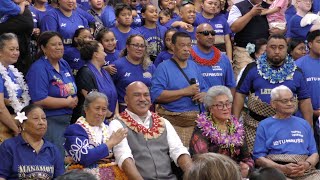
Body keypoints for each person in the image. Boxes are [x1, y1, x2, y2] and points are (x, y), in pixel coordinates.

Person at [232, 34, 313, 152]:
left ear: (287, 49)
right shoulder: (252, 68)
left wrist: (308, 128)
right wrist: (235, 123)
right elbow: (240, 94)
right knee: (256, 163)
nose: (276, 51)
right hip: (255, 126)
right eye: (272, 47)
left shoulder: (296, 72)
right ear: (266, 49)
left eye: (281, 47)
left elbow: (305, 100)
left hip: (288, 127)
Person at [109, 81, 192, 180]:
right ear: (126, 99)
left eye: (146, 95)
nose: (142, 99)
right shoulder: (117, 124)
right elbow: (124, 157)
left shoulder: (163, 122)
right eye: (137, 95)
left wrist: (194, 175)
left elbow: (178, 151)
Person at [151, 32, 208, 147]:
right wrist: (185, 92)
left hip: (196, 122)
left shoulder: (193, 65)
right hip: (174, 124)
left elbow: (204, 88)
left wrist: (204, 95)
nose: (186, 49)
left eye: (189, 45)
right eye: (182, 45)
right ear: (172, 46)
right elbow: (156, 95)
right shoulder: (163, 67)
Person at [26, 31, 78, 156]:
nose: (59, 47)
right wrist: (67, 102)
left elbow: (72, 88)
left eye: (60, 44)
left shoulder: (64, 64)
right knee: (56, 158)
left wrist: (74, 99)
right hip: (50, 121)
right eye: (54, 45)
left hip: (68, 119)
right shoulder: (39, 68)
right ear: (43, 48)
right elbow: (39, 100)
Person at [253, 85, 320, 179]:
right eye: (285, 101)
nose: (290, 103)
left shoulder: (303, 123)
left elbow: (314, 154)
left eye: (292, 100)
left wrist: (307, 164)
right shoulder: (264, 125)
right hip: (277, 171)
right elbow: (258, 158)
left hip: (305, 171)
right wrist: (281, 168)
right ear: (273, 104)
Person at [189, 86, 253, 178]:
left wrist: (246, 167)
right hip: (213, 175)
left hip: (236, 174)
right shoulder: (202, 130)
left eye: (228, 103)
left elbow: (247, 158)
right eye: (220, 105)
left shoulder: (236, 127)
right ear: (210, 108)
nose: (225, 108)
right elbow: (202, 162)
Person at [64, 92, 127, 179]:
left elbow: (121, 155)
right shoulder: (75, 130)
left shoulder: (109, 128)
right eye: (97, 108)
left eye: (104, 109)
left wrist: (96, 153)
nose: (100, 113)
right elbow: (85, 158)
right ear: (86, 109)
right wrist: (110, 143)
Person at [0, 104, 64, 179]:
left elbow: (60, 177)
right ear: (23, 124)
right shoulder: (9, 146)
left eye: (44, 118)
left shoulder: (52, 150)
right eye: (36, 118)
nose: (41, 122)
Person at [72, 40, 118, 123]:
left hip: (109, 119)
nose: (105, 54)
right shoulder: (85, 73)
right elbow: (92, 100)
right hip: (91, 121)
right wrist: (109, 115)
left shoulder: (104, 72)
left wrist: (116, 115)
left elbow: (114, 94)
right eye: (103, 51)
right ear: (96, 54)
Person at [112, 34, 155, 113]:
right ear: (128, 47)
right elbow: (111, 92)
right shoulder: (117, 66)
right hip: (125, 110)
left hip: (147, 109)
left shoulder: (150, 66)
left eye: (142, 46)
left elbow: (154, 89)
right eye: (136, 45)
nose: (139, 48)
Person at [227, 0, 270, 78]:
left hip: (266, 52)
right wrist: (251, 14)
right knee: (243, 79)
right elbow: (234, 28)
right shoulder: (238, 7)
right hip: (243, 51)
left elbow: (280, 24)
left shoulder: (270, 6)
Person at [0, 33, 30, 143]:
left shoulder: (13, 71)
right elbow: (0, 108)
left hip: (17, 122)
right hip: (4, 127)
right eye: (12, 49)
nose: (16, 53)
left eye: (17, 49)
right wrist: (16, 129)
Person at [191, 23, 236, 93]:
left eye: (213, 33)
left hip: (219, 102)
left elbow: (231, 85)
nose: (210, 36)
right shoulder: (188, 56)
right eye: (206, 33)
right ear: (197, 36)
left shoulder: (223, 58)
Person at [295, 30, 320, 155]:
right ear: (309, 44)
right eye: (319, 42)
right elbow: (295, 93)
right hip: (304, 118)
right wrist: (312, 112)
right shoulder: (298, 65)